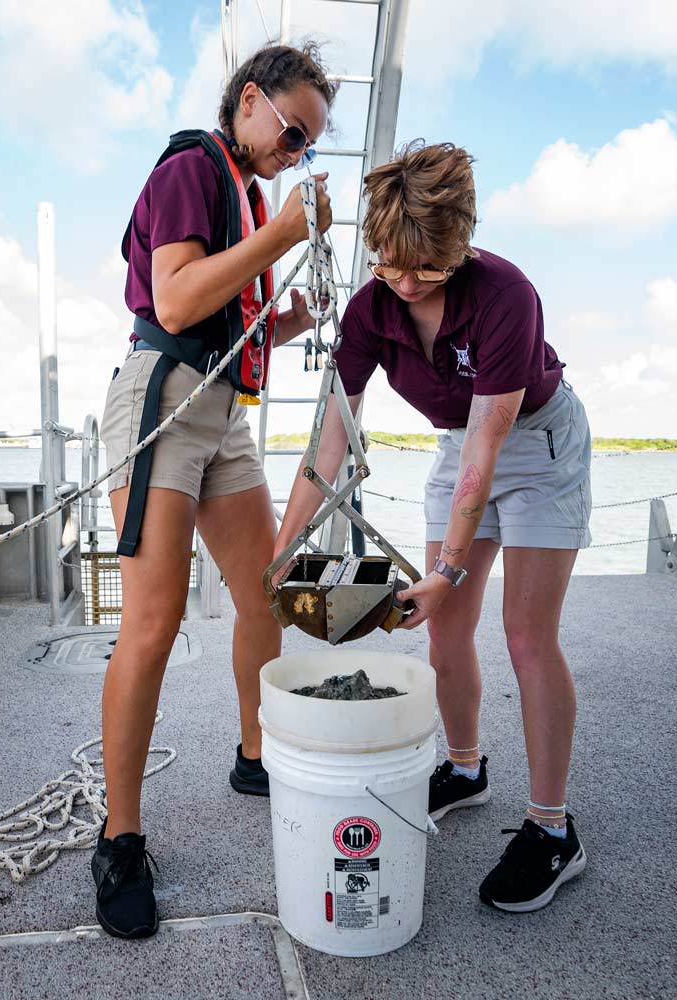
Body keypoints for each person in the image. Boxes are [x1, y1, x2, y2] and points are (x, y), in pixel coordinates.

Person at [276, 141, 591, 913]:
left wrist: (446, 570)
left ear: (461, 242)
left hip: (537, 443)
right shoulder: (367, 310)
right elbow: (329, 444)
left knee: (525, 633)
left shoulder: (505, 294)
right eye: (392, 264)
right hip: (462, 446)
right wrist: (279, 556)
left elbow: (492, 445)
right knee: (444, 632)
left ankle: (553, 829)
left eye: (429, 267)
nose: (409, 282)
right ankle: (464, 766)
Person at [92, 43, 336, 939]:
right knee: (152, 622)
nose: (297, 150)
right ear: (249, 100)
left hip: (224, 414)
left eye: (309, 143)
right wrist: (281, 240)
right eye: (293, 129)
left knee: (261, 591)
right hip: (161, 400)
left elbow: (232, 310)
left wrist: (286, 314)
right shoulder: (195, 165)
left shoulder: (252, 193)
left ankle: (254, 753)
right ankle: (120, 839)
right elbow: (178, 299)